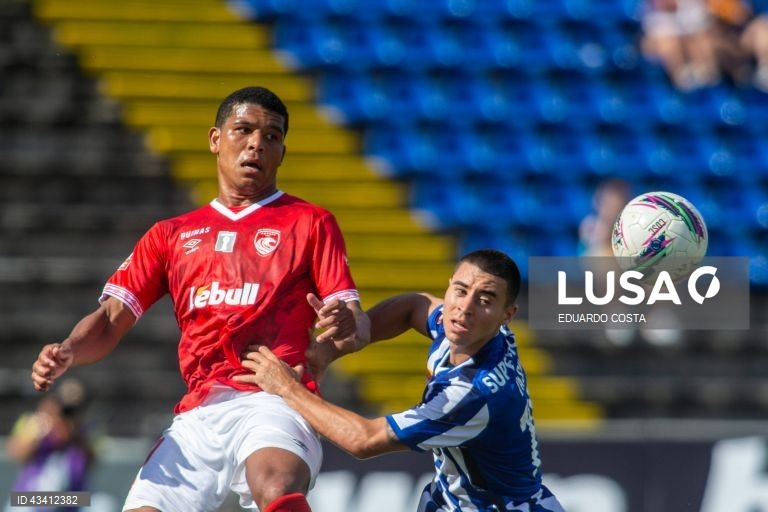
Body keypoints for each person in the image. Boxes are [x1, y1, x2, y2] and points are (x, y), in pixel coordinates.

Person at [29, 86, 369, 512]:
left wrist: (347, 323)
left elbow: (356, 325)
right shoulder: (170, 235)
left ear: (282, 153)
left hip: (274, 398)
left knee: (274, 484)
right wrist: (69, 351)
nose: (256, 144)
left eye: (271, 136)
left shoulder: (311, 223)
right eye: (243, 130)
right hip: (199, 414)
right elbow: (112, 317)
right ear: (215, 139)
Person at [236, 249, 565, 512]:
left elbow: (364, 440)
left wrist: (287, 388)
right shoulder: (473, 331)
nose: (464, 308)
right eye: (461, 291)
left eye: (485, 300)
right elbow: (414, 305)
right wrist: (329, 352)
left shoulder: (472, 393)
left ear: (507, 315)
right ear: (449, 286)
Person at [5, 378, 93, 512]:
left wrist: (74, 432)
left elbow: (91, 460)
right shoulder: (34, 422)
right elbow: (16, 453)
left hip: (71, 500)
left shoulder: (85, 429)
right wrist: (40, 430)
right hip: (29, 496)